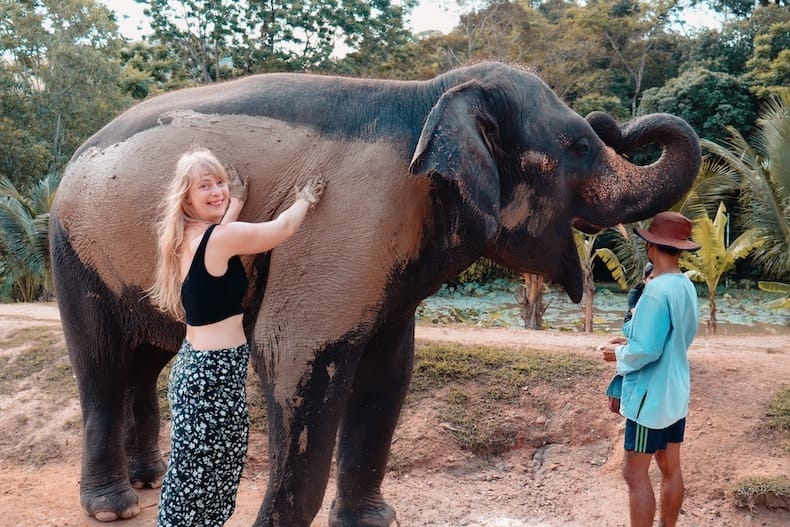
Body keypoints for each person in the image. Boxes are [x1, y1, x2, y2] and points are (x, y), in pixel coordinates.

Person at [147, 148, 325, 526]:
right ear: (186, 197)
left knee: (200, 477)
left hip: (200, 373)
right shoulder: (218, 239)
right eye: (205, 186)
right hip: (211, 378)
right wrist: (306, 200)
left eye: (220, 183)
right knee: (202, 481)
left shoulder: (187, 237)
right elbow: (280, 230)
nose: (217, 191)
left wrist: (236, 202)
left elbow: (219, 241)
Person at [598, 211, 700, 527]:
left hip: (650, 400)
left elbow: (648, 351)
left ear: (651, 247)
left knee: (634, 470)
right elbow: (674, 336)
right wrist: (629, 337)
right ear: (680, 248)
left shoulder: (655, 290)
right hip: (675, 391)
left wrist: (618, 353)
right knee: (671, 466)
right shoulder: (684, 285)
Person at [606, 262, 656, 413]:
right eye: (652, 278)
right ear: (644, 279)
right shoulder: (636, 293)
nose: (655, 282)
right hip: (631, 324)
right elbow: (638, 316)